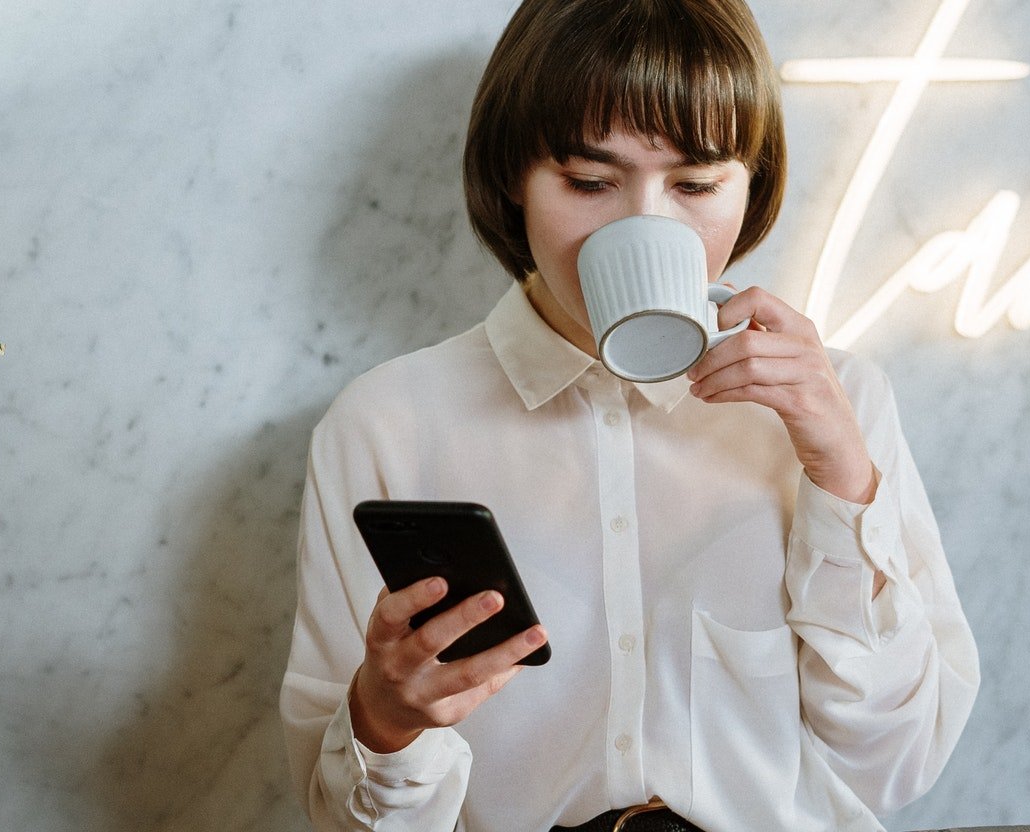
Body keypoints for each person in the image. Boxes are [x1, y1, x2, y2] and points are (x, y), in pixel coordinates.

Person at [280, 0, 980, 829]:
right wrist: (388, 724)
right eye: (589, 182)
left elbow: (893, 763)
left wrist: (843, 478)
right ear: (515, 177)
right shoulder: (388, 425)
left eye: (695, 184)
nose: (647, 223)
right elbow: (344, 823)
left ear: (750, 186)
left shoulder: (836, 403)